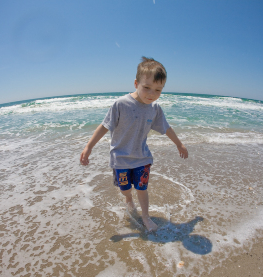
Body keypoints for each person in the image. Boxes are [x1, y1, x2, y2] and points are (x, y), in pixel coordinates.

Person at [80, 57, 188, 231]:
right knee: (125, 189)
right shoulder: (121, 104)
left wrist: (179, 144)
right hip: (120, 158)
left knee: (142, 188)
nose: (151, 94)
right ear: (136, 83)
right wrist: (88, 147)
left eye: (158, 90)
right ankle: (128, 199)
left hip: (141, 158)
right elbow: (104, 126)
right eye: (146, 87)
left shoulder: (155, 109)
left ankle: (145, 217)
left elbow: (166, 128)